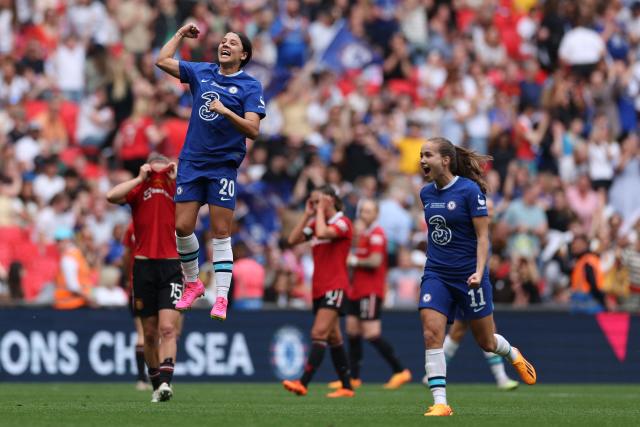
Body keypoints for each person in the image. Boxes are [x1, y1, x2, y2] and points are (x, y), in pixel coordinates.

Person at [418, 137, 536, 416]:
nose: (422, 160)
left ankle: (512, 354)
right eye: (421, 155)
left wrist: (480, 271)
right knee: (431, 331)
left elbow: (484, 237)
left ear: (445, 160)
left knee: (486, 341)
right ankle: (440, 403)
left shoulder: (469, 191)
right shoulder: (425, 194)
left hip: (470, 275)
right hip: (436, 272)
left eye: (428, 155)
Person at [155, 23, 265, 321]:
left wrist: (227, 111)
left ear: (243, 55)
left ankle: (221, 297)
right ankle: (192, 283)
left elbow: (253, 130)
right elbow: (161, 61)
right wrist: (178, 34)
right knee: (182, 227)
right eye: (223, 40)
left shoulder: (250, 86)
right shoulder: (202, 71)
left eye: (232, 42)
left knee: (220, 231)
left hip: (222, 166)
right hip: (192, 161)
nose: (224, 44)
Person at [106, 153, 183, 403]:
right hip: (143, 268)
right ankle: (155, 383)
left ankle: (165, 384)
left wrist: (176, 176)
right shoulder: (139, 189)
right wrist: (141, 177)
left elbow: (199, 199)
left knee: (168, 329)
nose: (158, 179)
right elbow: (111, 196)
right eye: (154, 174)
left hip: (171, 265)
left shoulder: (178, 188)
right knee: (149, 333)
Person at [422, 198, 519, 391]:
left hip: (474, 285)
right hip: (464, 285)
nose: (489, 213)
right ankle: (501, 377)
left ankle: (430, 376)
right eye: (487, 209)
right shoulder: (472, 230)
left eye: (491, 210)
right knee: (482, 331)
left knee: (460, 332)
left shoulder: (490, 235)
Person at [328, 198, 412, 390]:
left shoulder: (377, 234)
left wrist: (354, 261)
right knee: (352, 331)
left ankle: (400, 371)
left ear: (375, 214)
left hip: (370, 291)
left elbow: (374, 261)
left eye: (367, 211)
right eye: (362, 210)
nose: (363, 214)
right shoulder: (362, 235)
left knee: (372, 334)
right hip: (356, 290)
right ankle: (353, 377)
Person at [282, 185, 355, 398]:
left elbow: (323, 232)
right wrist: (307, 214)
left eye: (318, 201)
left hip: (336, 285)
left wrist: (320, 213)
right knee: (333, 336)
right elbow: (292, 240)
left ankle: (303, 383)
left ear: (330, 199)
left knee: (318, 333)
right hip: (320, 287)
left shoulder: (342, 223)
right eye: (312, 202)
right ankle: (347, 387)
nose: (315, 205)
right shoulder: (315, 222)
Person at [122, 222, 151, 391]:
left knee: (142, 332)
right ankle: (161, 378)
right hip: (159, 282)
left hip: (137, 283)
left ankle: (141, 378)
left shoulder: (132, 227)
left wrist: (128, 278)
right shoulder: (160, 221)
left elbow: (126, 257)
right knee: (160, 332)